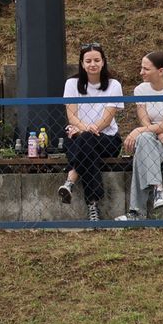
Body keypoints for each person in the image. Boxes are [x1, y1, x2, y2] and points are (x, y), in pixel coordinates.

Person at [55, 43, 123, 223]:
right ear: (82, 64)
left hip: (107, 139)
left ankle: (70, 180)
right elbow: (72, 116)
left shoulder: (114, 85)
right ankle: (93, 204)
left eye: (96, 60)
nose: (93, 64)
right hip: (80, 138)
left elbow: (107, 120)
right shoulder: (71, 84)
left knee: (86, 140)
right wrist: (86, 129)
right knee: (86, 143)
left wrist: (89, 129)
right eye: (88, 61)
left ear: (103, 62)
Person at [119, 51, 163, 222]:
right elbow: (144, 120)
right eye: (141, 68)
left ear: (160, 71)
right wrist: (158, 135)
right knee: (145, 142)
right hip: (154, 136)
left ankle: (136, 213)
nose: (141, 72)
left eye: (146, 68)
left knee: (141, 150)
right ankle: (158, 189)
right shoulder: (140, 90)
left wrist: (140, 131)